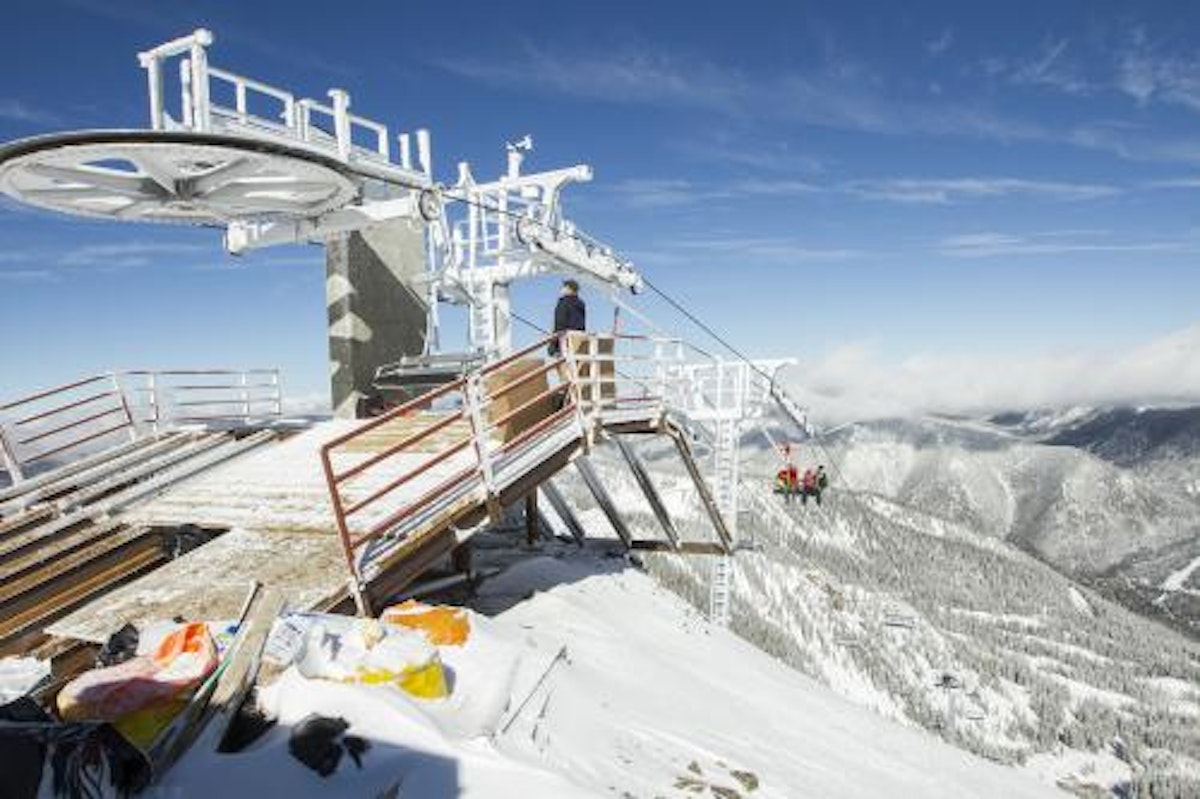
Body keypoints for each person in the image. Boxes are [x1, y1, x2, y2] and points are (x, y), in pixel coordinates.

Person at [548, 279, 586, 356]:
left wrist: (553, 346)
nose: (561, 289)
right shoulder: (581, 304)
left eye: (563, 287)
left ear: (569, 288)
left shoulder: (563, 303)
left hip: (564, 343)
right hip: (578, 342)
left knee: (564, 364)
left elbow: (560, 324)